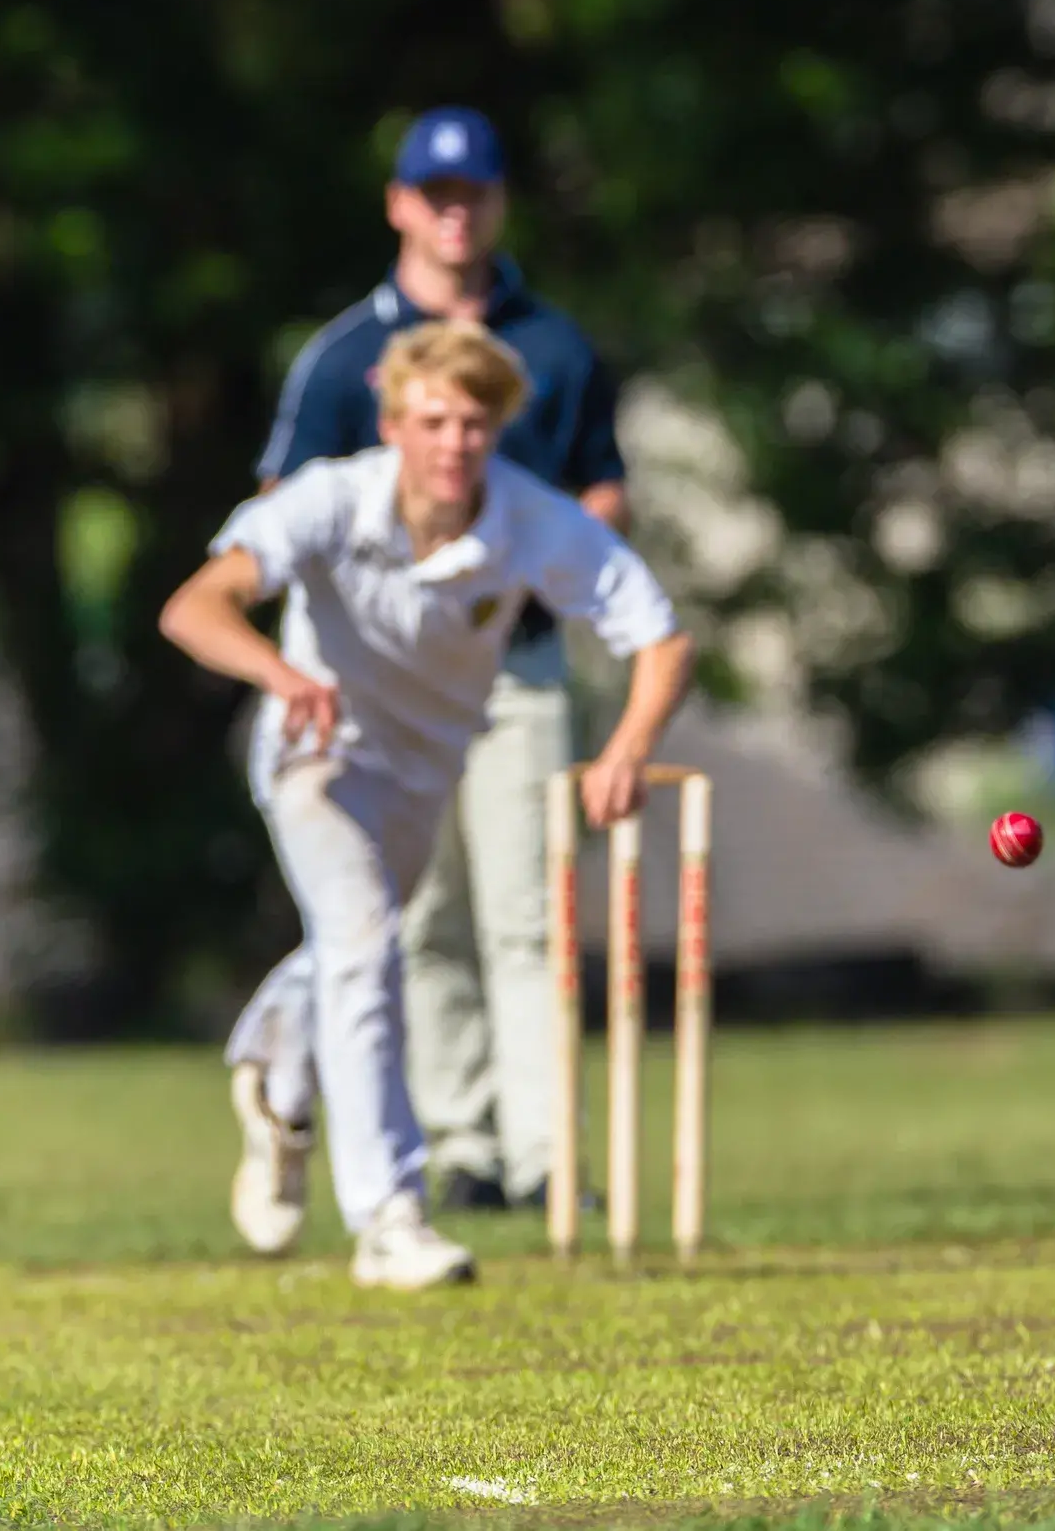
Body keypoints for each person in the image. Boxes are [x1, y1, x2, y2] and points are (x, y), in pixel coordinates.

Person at [165, 322, 692, 1288]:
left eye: (474, 424)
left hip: (424, 769)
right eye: (434, 422)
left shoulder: (528, 517)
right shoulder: (332, 499)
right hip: (318, 757)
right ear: (394, 426)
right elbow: (194, 606)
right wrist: (284, 678)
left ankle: (277, 1080)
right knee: (366, 942)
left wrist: (625, 751)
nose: (455, 443)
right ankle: (389, 1217)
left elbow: (659, 637)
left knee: (354, 947)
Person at [249, 105, 629, 1225]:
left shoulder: (553, 346)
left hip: (515, 667)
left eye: (474, 194)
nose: (455, 214)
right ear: (401, 205)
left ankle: (546, 1153)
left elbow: (601, 489)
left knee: (529, 914)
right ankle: (461, 1142)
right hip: (384, 686)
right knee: (418, 922)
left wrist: (535, 565)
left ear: (499, 202)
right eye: (436, 195)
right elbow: (282, 507)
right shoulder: (346, 356)